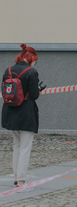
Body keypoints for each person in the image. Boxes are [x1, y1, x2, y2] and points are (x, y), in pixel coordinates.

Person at [2, 44, 45, 192]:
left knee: (17, 146)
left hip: (10, 113)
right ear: (31, 57)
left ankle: (16, 178)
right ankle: (21, 182)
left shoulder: (8, 70)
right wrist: (38, 89)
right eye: (35, 59)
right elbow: (34, 95)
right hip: (26, 114)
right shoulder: (31, 72)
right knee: (25, 148)